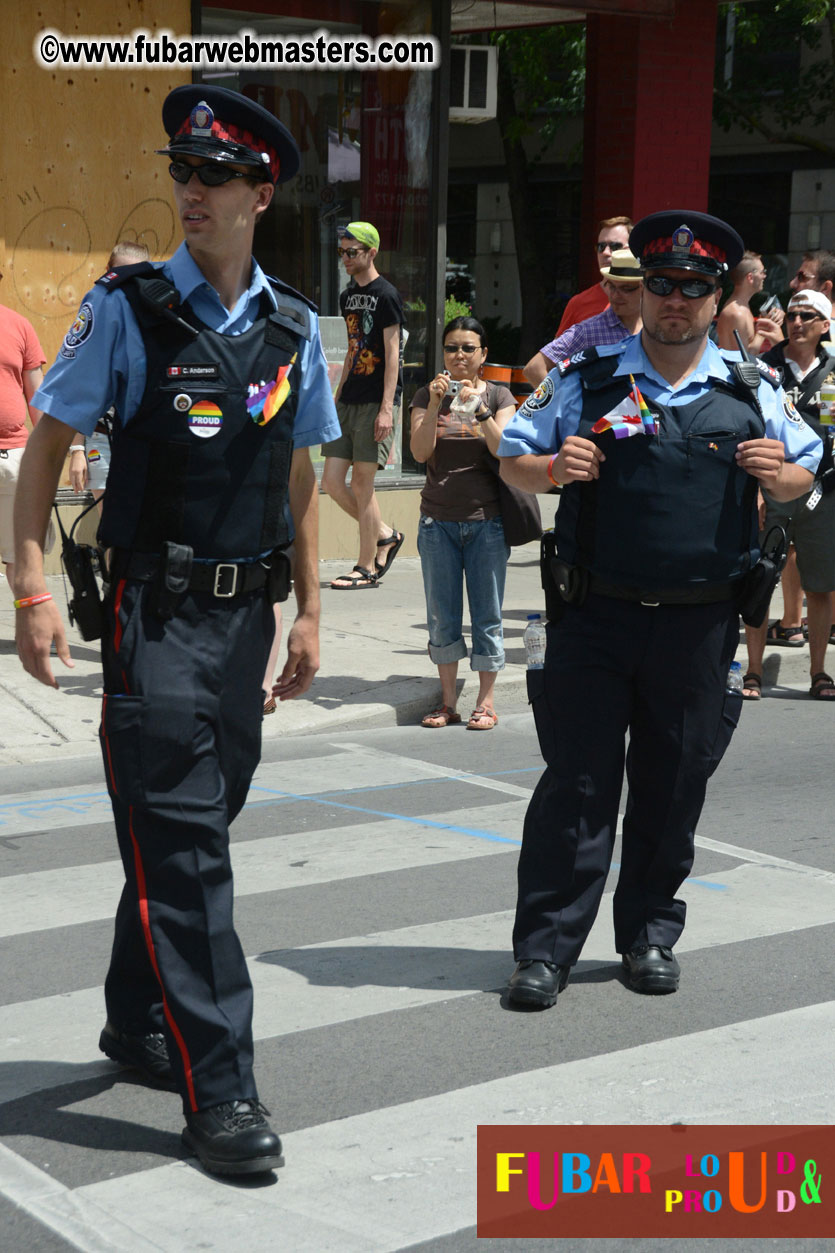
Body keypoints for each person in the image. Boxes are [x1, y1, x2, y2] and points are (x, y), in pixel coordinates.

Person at [14, 84, 340, 1176]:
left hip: (246, 623)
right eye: (181, 174)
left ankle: (130, 1014)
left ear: (262, 191)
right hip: (153, 619)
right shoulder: (130, 309)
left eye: (214, 177)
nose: (190, 191)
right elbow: (48, 446)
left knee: (184, 835)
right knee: (191, 855)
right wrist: (29, 585)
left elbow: (294, 472)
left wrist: (312, 606)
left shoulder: (297, 325)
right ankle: (225, 1088)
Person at [497, 210, 821, 1010]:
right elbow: (511, 460)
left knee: (672, 786)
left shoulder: (751, 387)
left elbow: (805, 472)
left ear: (718, 299)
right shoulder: (585, 378)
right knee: (574, 784)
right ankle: (544, 950)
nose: (675, 300)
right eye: (662, 285)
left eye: (693, 288)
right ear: (643, 293)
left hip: (698, 624)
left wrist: (778, 474)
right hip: (592, 618)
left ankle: (647, 934)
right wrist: (552, 465)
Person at [410, 316, 517, 730]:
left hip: (486, 522)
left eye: (468, 348)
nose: (459, 355)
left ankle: (486, 701)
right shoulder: (425, 394)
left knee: (488, 614)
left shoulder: (500, 394)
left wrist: (482, 409)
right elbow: (419, 454)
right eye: (452, 347)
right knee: (442, 616)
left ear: (483, 355)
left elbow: (504, 447)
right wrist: (436, 404)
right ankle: (448, 701)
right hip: (437, 522)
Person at [742, 289, 835, 701]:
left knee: (820, 585)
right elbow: (754, 426)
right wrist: (761, 489)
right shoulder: (766, 367)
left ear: (825, 326)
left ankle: (819, 672)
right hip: (772, 488)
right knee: (761, 578)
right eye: (793, 315)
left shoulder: (833, 371)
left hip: (824, 491)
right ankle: (754, 671)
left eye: (808, 316)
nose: (797, 323)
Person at [322, 221, 405, 589]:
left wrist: (387, 408)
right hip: (349, 397)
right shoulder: (346, 296)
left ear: (371, 252)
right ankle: (385, 534)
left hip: (376, 400)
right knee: (333, 482)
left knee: (362, 485)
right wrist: (336, 395)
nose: (345, 258)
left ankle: (366, 566)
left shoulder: (386, 295)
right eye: (342, 252)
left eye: (351, 252)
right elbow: (354, 346)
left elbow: (392, 355)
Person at [67, 242, 152, 512]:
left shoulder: (157, 319)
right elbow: (76, 389)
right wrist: (77, 450)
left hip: (144, 436)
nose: (128, 283)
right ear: (108, 271)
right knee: (111, 522)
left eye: (136, 275)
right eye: (121, 273)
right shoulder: (95, 314)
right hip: (101, 435)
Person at [524, 249, 643, 386]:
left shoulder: (655, 328)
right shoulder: (588, 330)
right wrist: (565, 403)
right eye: (611, 287)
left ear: (644, 288)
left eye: (626, 289)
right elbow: (534, 369)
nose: (615, 295)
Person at [0, 274, 45, 597]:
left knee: (21, 555)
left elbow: (37, 395)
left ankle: (30, 631)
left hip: (15, 456)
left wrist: (50, 457)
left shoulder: (18, 325)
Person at [551, 215, 633, 338]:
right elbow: (557, 355)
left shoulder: (648, 299)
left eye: (614, 246)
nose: (605, 253)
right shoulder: (578, 304)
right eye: (601, 247)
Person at [715, 251, 784, 354]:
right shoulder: (737, 313)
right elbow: (744, 358)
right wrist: (762, 331)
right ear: (750, 277)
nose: (764, 276)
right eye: (762, 272)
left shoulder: (742, 308)